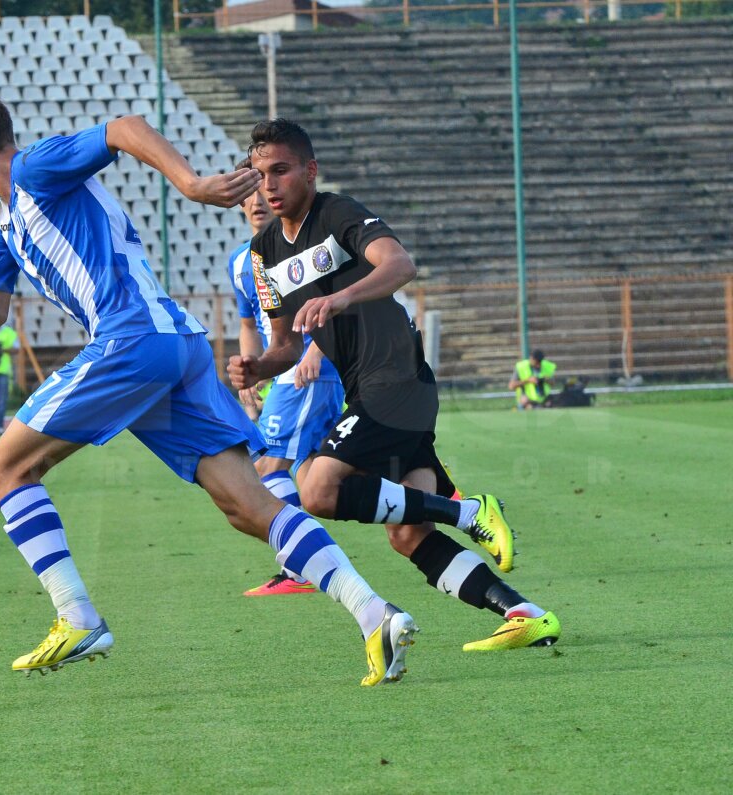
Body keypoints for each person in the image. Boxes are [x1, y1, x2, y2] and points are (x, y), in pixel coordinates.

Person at [0, 92, 424, 686]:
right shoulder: (0, 225)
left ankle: (76, 616)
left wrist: (189, 183)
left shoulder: (34, 169)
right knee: (248, 507)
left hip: (131, 339)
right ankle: (374, 613)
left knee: (3, 472)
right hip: (174, 344)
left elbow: (123, 127)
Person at [228, 118, 561, 652]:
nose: (268, 184)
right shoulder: (265, 252)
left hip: (397, 379)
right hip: (369, 392)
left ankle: (470, 512)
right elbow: (285, 345)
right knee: (407, 533)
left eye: (281, 170)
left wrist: (342, 297)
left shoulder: (337, 212)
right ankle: (525, 613)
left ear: (309, 171)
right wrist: (256, 368)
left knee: (314, 487)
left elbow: (400, 263)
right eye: (260, 173)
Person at [227, 160, 347, 597]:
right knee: (316, 472)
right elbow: (247, 322)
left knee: (264, 465)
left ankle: (301, 569)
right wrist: (249, 372)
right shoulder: (242, 261)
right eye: (248, 190)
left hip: (308, 370)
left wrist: (318, 348)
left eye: (264, 187)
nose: (257, 199)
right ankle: (433, 485)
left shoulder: (301, 247)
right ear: (237, 199)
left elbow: (332, 299)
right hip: (282, 371)